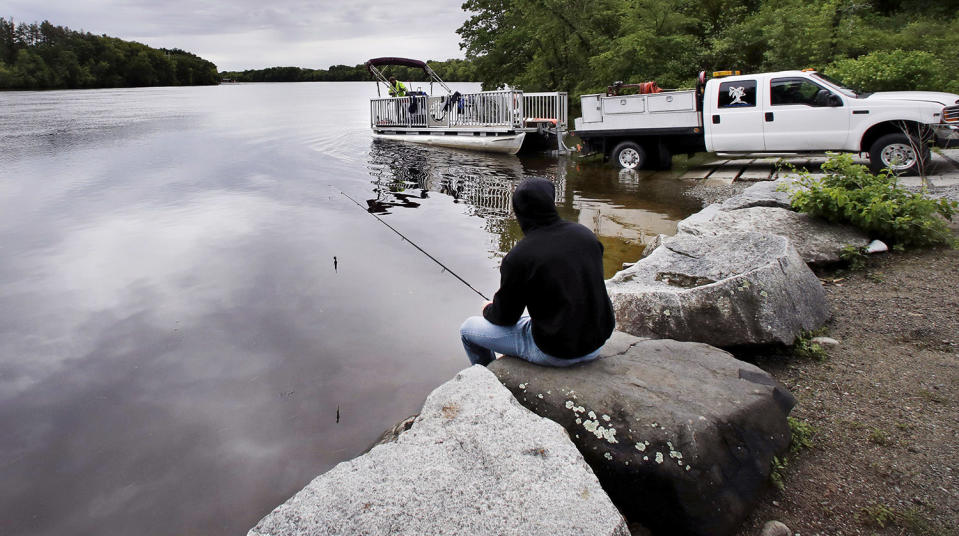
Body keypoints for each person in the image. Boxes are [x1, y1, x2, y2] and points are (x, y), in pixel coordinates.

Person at [460, 177, 615, 367]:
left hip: (556, 351)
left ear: (519, 211)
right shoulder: (586, 235)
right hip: (597, 342)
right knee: (528, 318)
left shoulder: (519, 257)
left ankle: (487, 376)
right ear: (551, 202)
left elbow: (505, 317)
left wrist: (488, 309)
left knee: (467, 330)